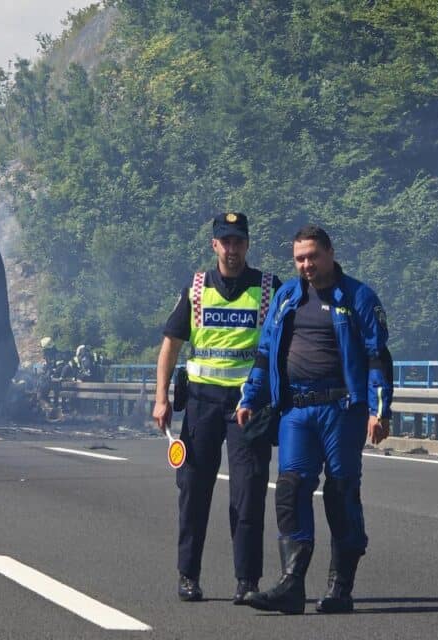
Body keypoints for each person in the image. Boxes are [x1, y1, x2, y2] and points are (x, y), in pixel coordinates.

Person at [236, 224, 393, 615]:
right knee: (290, 490)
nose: (306, 265)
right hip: (295, 410)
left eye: (312, 256)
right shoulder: (287, 295)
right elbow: (265, 350)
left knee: (340, 493)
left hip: (342, 410)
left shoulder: (358, 297)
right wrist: (250, 396)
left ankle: (340, 589)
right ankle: (291, 586)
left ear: (329, 253)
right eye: (299, 258)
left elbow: (378, 357)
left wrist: (379, 410)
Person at [154, 212, 281, 604]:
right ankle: (188, 575)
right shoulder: (195, 288)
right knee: (193, 491)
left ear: (247, 244)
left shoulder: (269, 287)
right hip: (202, 403)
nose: (232, 248)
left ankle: (248, 582)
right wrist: (161, 399)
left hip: (248, 406)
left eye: (238, 241)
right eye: (225, 241)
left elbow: (285, 343)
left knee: (249, 492)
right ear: (214, 245)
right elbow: (171, 347)